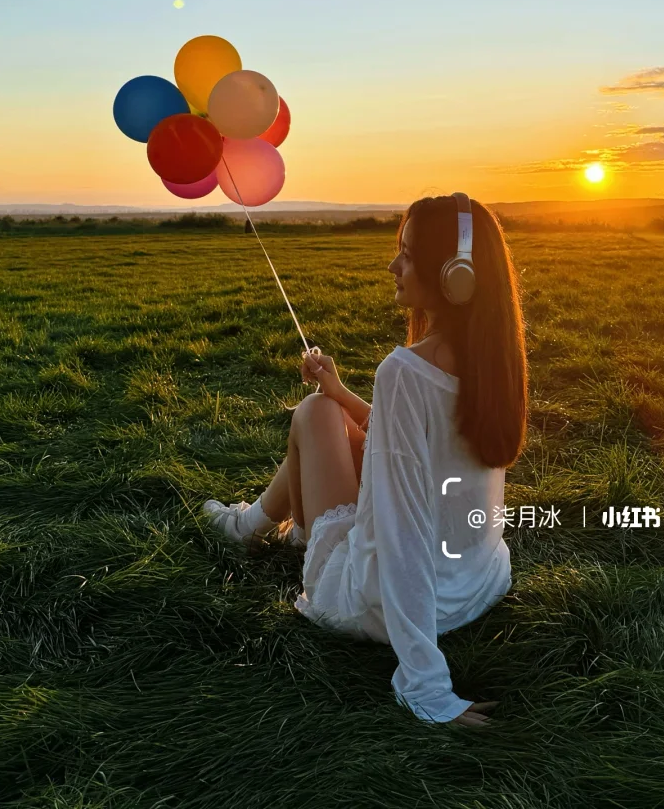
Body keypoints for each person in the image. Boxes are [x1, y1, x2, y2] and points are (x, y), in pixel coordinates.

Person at [202, 193, 529, 728]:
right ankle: (260, 523)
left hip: (386, 603)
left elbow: (402, 530)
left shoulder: (404, 370)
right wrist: (340, 389)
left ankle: (250, 527)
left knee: (311, 414)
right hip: (476, 584)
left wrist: (429, 687)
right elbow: (419, 442)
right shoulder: (496, 359)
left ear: (455, 275)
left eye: (406, 253)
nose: (392, 265)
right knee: (327, 405)